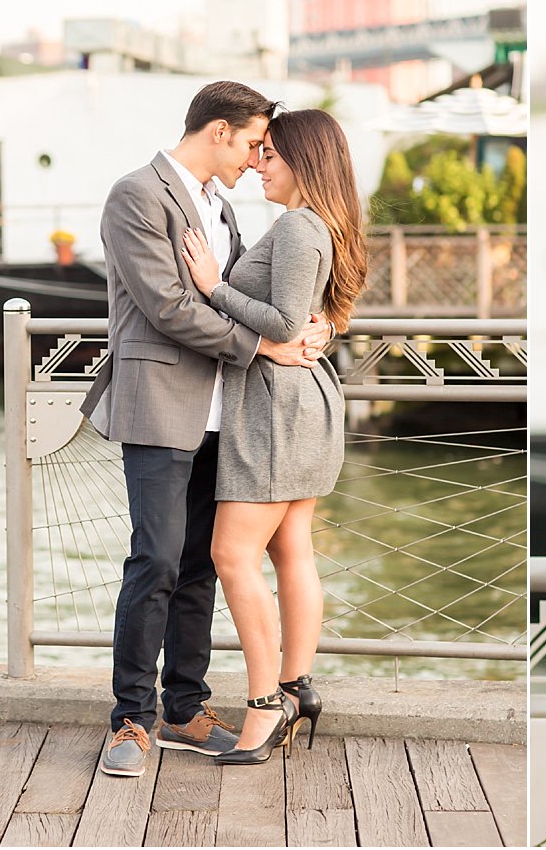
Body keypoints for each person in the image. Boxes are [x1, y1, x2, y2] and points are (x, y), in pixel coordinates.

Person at [82, 81, 330, 777]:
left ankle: (185, 708)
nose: (257, 159)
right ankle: (131, 718)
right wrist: (266, 347)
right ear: (219, 131)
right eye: (253, 142)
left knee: (201, 567)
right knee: (156, 559)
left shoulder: (220, 205)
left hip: (228, 414)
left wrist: (315, 324)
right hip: (161, 404)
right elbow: (166, 306)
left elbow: (251, 295)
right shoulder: (136, 194)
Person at [179, 107, 367, 764]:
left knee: (232, 554)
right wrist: (323, 328)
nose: (259, 165)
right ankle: (295, 684)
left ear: (304, 163)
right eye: (258, 154)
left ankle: (264, 709)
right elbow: (318, 315)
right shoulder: (322, 226)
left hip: (276, 412)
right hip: (303, 407)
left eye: (272, 156)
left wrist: (213, 287)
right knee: (292, 549)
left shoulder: (296, 228)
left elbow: (285, 323)